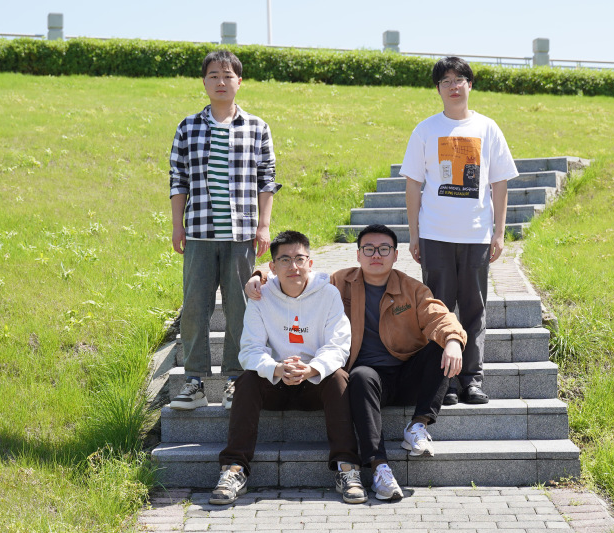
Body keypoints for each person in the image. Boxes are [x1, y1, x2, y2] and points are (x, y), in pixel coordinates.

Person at [246, 224, 466, 501]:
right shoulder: (340, 281)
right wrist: (259, 275)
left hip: (407, 372)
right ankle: (379, 468)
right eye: (369, 249)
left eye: (384, 249)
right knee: (361, 375)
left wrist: (453, 340)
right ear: (358, 254)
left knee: (443, 344)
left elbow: (439, 315)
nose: (376, 255)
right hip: (368, 379)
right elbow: (298, 274)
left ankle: (418, 425)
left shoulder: (412, 288)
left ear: (395, 255)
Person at [210, 231, 366, 505]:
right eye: (284, 260)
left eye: (299, 259)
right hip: (276, 384)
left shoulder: (328, 294)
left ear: (310, 263)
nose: (293, 266)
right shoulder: (261, 296)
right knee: (246, 381)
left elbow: (339, 345)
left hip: (314, 384)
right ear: (272, 266)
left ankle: (347, 468)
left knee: (339, 378)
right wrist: (277, 368)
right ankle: (234, 468)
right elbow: (250, 350)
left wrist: (311, 369)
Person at [401, 56, 519, 406]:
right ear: (438, 89)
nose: (453, 86)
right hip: (435, 233)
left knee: (473, 309)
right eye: (446, 81)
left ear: (470, 85)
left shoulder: (487, 128)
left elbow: (500, 183)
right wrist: (414, 235)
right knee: (438, 309)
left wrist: (499, 233)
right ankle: (445, 383)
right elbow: (413, 186)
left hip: (475, 235)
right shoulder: (425, 130)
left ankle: (471, 380)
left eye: (459, 79)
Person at [168, 49, 281, 411]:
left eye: (228, 75)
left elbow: (267, 179)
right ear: (204, 82)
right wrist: (177, 225)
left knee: (241, 308)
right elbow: (178, 179)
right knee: (194, 309)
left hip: (241, 235)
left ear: (239, 81)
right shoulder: (188, 127)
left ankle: (236, 380)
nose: (221, 81)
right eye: (214, 75)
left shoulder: (257, 127)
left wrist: (264, 226)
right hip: (199, 234)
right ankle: (195, 382)